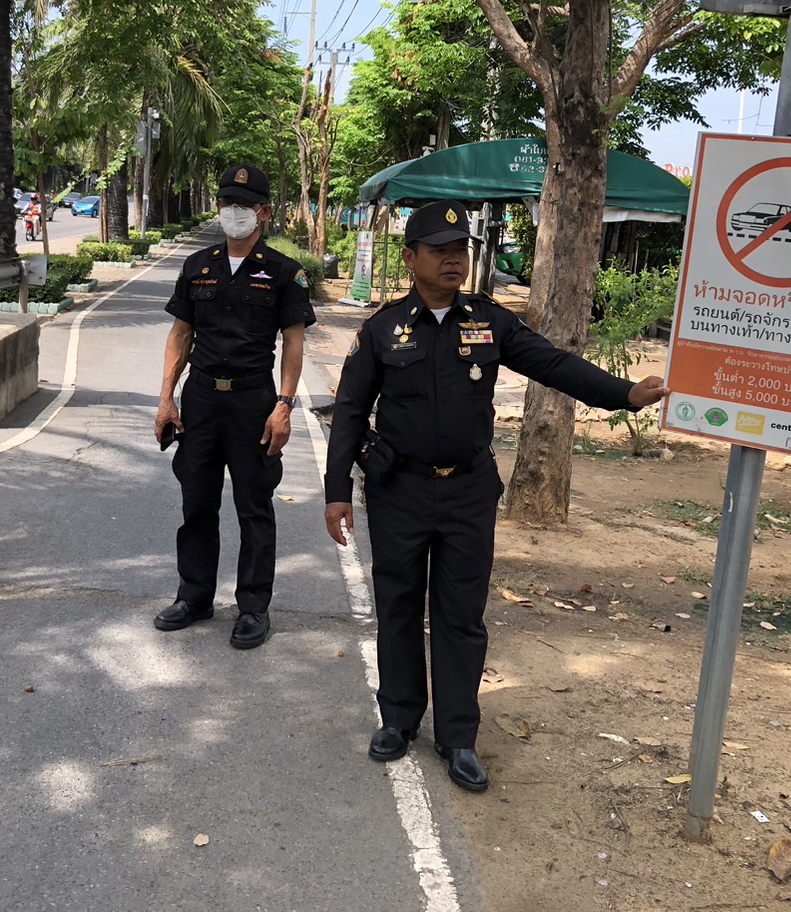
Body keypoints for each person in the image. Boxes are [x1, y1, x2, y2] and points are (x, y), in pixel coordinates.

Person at [323, 200, 666, 792]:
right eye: (439, 250)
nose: (453, 260)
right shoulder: (382, 328)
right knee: (399, 606)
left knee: (461, 615)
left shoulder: (490, 322)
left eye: (460, 250)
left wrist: (624, 393)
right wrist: (337, 494)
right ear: (410, 258)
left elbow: (554, 365)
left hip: (468, 492)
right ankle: (399, 719)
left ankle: (458, 736)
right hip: (399, 491)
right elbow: (350, 410)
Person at [153, 163, 317, 649]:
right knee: (196, 502)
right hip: (201, 400)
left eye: (244, 205)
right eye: (227, 203)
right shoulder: (197, 266)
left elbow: (293, 343)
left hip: (252, 402)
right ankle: (194, 596)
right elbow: (180, 334)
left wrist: (284, 405)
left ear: (264, 212)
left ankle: (252, 608)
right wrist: (166, 399)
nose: (233, 212)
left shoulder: (284, 272)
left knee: (254, 507)